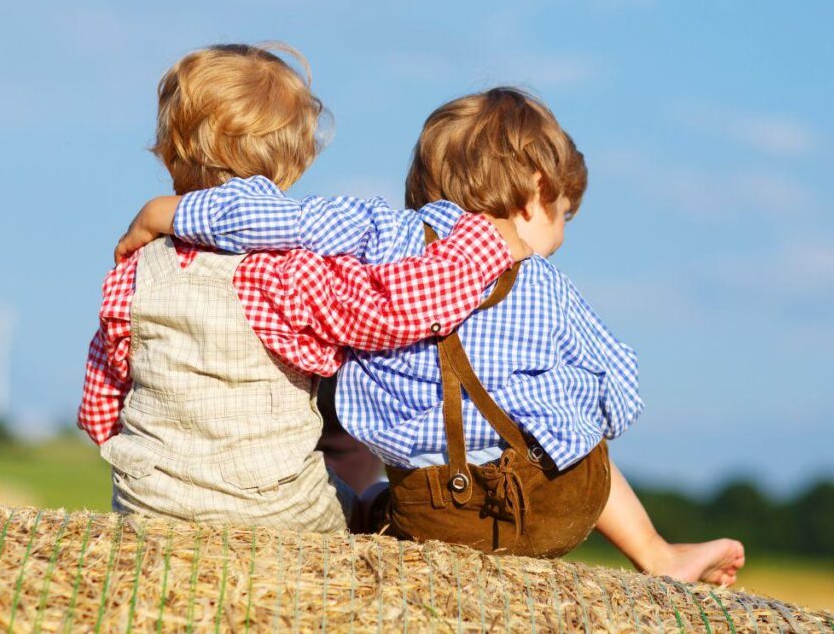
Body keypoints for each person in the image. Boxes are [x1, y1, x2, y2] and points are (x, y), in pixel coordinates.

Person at [117, 87, 746, 586]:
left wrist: (167, 212)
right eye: (566, 216)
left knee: (367, 503)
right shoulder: (547, 284)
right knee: (582, 435)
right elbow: (622, 389)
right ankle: (658, 555)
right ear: (536, 195)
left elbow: (271, 216)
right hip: (558, 504)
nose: (563, 233)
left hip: (435, 515)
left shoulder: (378, 233)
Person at [78, 44, 531, 534]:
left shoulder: (135, 271)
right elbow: (390, 309)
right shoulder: (287, 271)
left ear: (167, 152)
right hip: (273, 507)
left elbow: (101, 401)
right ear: (294, 163)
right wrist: (484, 249)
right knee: (370, 505)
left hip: (148, 502)